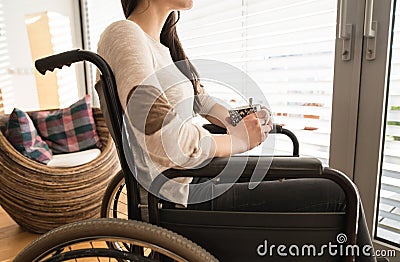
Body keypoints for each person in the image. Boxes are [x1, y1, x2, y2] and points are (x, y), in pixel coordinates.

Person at [97, 0, 379, 261]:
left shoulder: (158, 47)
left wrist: (239, 119)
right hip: (179, 196)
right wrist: (237, 141)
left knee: (329, 187)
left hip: (198, 178)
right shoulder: (124, 35)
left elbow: (200, 101)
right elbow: (167, 142)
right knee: (339, 192)